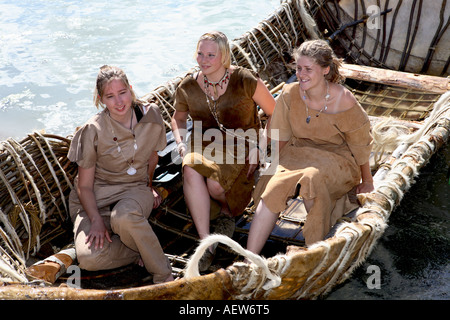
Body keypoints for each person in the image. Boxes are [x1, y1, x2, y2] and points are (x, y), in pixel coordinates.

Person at [247, 40, 374, 252]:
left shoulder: (344, 99)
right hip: (298, 152)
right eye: (298, 68)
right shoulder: (289, 93)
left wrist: (367, 180)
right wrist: (276, 170)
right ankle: (249, 259)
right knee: (276, 184)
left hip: (338, 159)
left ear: (325, 70)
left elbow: (361, 145)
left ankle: (316, 249)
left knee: (310, 178)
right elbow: (281, 133)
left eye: (308, 69)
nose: (301, 74)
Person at [171, 31, 275, 270]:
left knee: (215, 186)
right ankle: (206, 243)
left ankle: (227, 212)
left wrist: (261, 146)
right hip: (204, 142)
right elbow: (177, 119)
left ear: (224, 56)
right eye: (200, 53)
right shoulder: (188, 86)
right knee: (190, 168)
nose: (203, 60)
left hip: (243, 142)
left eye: (210, 55)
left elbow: (275, 111)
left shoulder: (245, 80)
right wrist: (181, 143)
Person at [67, 65, 173, 283]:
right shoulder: (93, 130)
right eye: (110, 96)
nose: (119, 102)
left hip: (134, 190)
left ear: (131, 90)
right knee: (89, 259)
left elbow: (153, 156)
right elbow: (84, 186)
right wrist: (95, 219)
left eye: (122, 93)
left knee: (124, 216)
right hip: (94, 200)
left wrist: (149, 186)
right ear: (101, 99)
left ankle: (164, 275)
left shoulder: (151, 116)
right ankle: (141, 248)